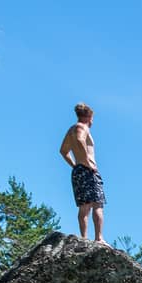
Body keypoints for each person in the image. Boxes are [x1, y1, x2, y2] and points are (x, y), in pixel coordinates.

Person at [59, 102, 105, 242]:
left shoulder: (71, 129)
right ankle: (98, 238)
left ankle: (84, 238)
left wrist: (75, 165)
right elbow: (80, 140)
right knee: (97, 204)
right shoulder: (82, 127)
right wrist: (87, 162)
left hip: (78, 170)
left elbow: (63, 151)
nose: (92, 122)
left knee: (84, 207)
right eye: (92, 119)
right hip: (87, 170)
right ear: (88, 116)